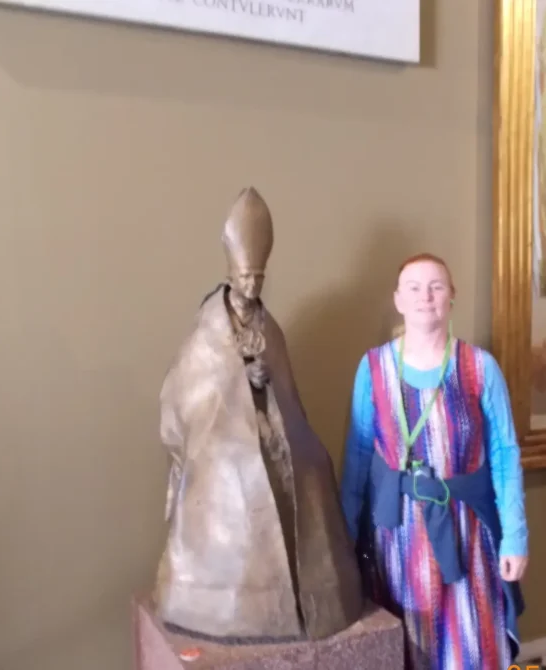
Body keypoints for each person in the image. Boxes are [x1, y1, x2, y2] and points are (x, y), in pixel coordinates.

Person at [155, 186, 363, 644]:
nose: (252, 287)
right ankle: (232, 599)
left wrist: (266, 383)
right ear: (232, 273)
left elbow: (290, 394)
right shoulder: (208, 330)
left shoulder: (270, 327)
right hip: (219, 434)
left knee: (312, 463)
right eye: (246, 277)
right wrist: (237, 381)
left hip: (272, 423)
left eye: (258, 279)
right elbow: (185, 394)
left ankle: (315, 594)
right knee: (243, 469)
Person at [340, 253, 529, 669]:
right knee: (408, 646)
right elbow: (357, 457)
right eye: (414, 287)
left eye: (436, 286)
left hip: (467, 531)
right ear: (398, 300)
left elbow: (504, 454)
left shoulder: (481, 367)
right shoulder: (373, 368)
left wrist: (515, 536)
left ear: (451, 297)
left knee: (471, 645)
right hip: (397, 538)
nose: (426, 296)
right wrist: (345, 537)